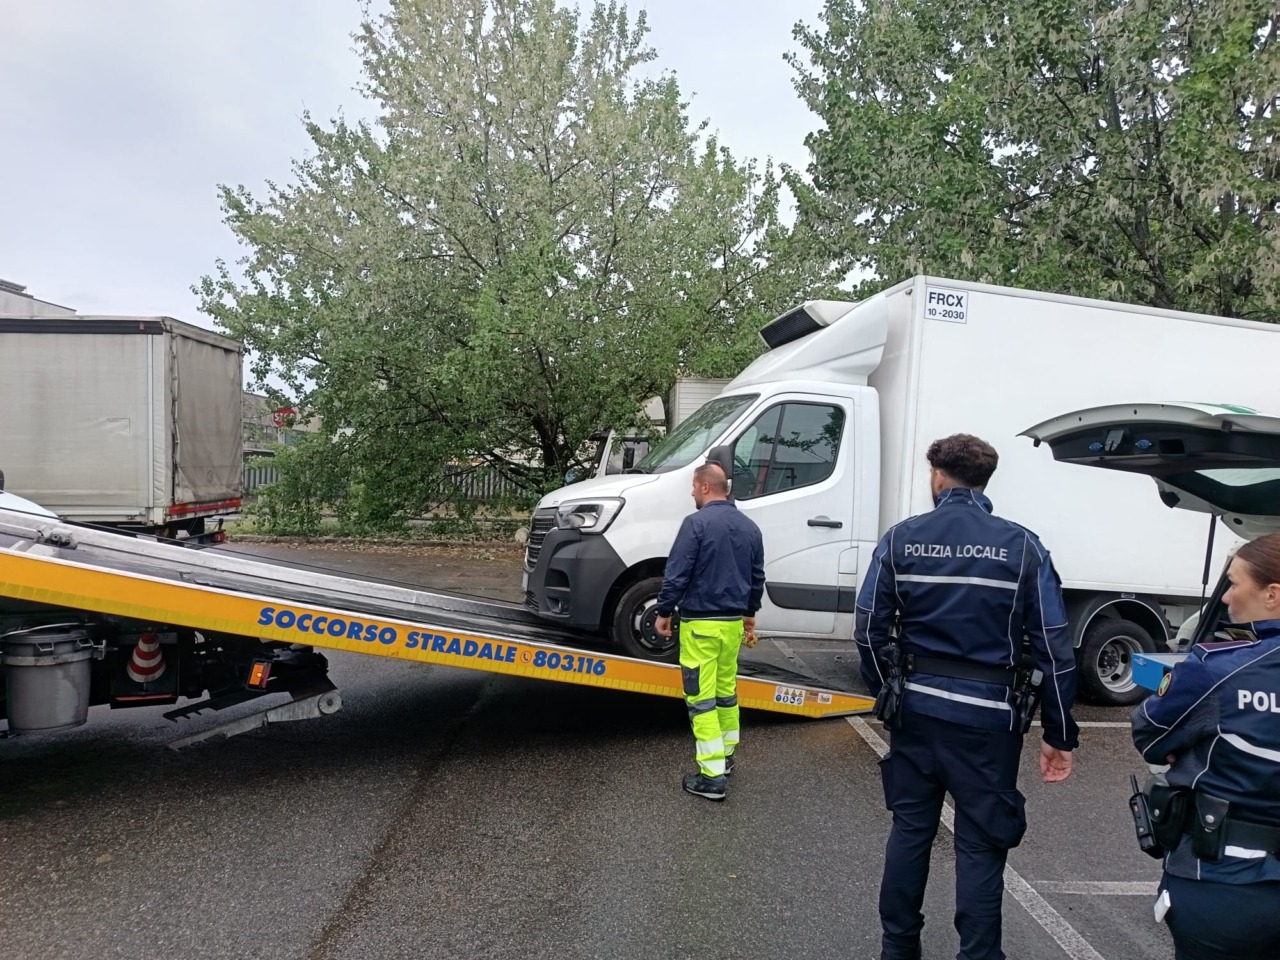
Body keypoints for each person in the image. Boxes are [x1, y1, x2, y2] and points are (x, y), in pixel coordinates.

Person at [855, 434, 1079, 960]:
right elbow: (1054, 647)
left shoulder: (901, 540)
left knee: (911, 830)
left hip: (916, 710)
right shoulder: (1022, 545)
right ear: (984, 480)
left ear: (937, 477)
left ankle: (898, 948)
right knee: (980, 844)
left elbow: (867, 630)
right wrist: (1059, 733)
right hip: (988, 722)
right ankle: (979, 954)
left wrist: (885, 690)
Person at [1131, 532, 1280, 960]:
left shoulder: (1219, 668)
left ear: (1272, 594)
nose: (1228, 597)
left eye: (1234, 583)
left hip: (1225, 880)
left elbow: (1151, 731)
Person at [654, 460, 765, 801]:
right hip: (732, 626)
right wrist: (749, 615)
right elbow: (757, 576)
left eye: (692, 486)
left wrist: (663, 611)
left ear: (705, 487)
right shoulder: (750, 528)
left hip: (701, 625)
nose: (691, 492)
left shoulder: (696, 524)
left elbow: (678, 573)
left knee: (700, 701)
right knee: (725, 693)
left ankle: (712, 777)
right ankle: (726, 756)